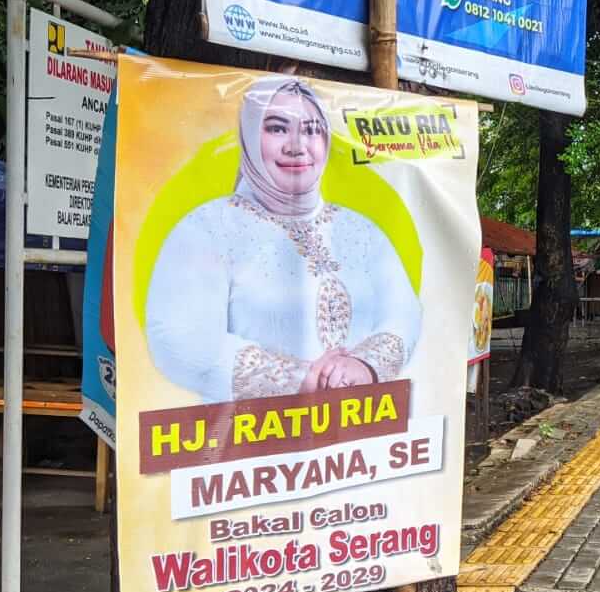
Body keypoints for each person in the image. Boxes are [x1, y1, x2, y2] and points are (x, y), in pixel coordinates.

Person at [144, 76, 422, 403]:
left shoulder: (360, 229)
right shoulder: (208, 227)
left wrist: (364, 366)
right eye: (277, 128)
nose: (297, 145)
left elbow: (403, 311)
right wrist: (300, 378)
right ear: (249, 135)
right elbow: (179, 336)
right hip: (252, 429)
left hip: (358, 422)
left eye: (311, 130)